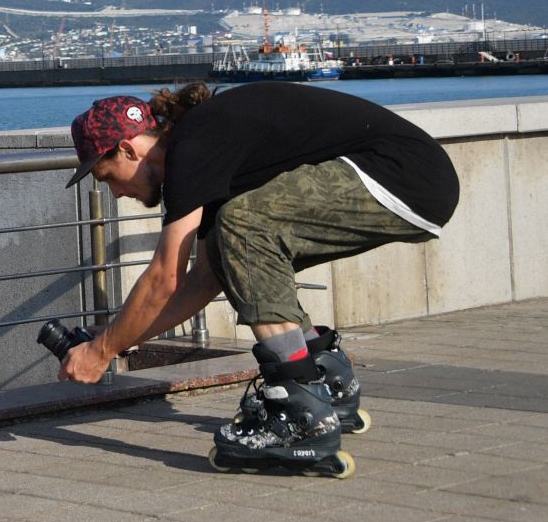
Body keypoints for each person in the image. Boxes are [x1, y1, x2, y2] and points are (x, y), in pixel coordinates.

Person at [59, 81, 459, 475]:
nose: (113, 194)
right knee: (227, 245)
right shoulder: (204, 145)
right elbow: (202, 281)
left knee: (243, 224)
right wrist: (113, 342)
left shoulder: (193, 148)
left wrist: (101, 352)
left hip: (403, 175)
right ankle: (322, 377)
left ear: (128, 148)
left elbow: (164, 277)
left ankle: (299, 413)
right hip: (412, 177)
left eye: (107, 176)